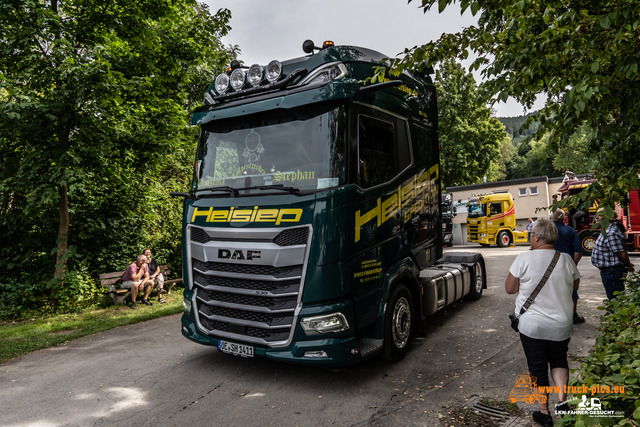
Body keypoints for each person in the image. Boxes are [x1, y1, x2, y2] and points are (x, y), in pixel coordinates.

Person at [505, 218, 580, 427]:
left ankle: (544, 414)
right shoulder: (566, 259)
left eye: (531, 235)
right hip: (562, 325)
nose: (530, 238)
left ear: (537, 237)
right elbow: (575, 286)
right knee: (559, 360)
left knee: (537, 369)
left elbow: (510, 289)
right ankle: (562, 404)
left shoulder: (523, 259)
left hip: (532, 326)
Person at [551, 209, 585, 324]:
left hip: (549, 268)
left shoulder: (546, 231)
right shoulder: (570, 231)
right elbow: (578, 252)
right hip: (567, 267)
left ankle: (554, 315)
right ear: (563, 218)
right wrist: (573, 266)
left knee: (551, 290)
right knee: (572, 291)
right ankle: (573, 315)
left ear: (551, 217)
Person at [591, 210, 635, 299]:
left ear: (608, 217)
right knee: (613, 299)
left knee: (616, 299)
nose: (597, 217)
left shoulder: (611, 232)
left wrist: (629, 266)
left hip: (612, 271)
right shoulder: (606, 229)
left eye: (600, 215)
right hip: (608, 271)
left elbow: (621, 253)